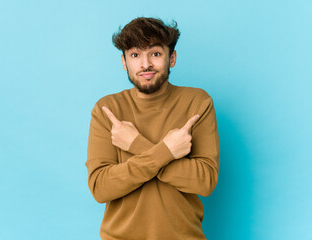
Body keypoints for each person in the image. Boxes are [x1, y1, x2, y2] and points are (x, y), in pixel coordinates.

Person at [85, 17, 220, 240]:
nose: (145, 64)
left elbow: (204, 182)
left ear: (172, 58)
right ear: (124, 62)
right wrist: (166, 151)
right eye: (135, 55)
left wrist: (136, 145)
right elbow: (101, 188)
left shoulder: (197, 102)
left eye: (155, 54)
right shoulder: (107, 109)